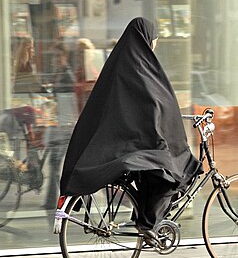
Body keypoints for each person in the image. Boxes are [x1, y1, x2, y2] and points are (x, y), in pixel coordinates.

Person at [59, 17, 201, 244]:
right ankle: (147, 224)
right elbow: (154, 103)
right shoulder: (141, 67)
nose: (155, 44)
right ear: (147, 39)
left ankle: (143, 218)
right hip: (136, 144)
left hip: (124, 142)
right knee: (176, 173)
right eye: (155, 40)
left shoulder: (121, 64)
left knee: (160, 170)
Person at [44, 43, 76, 210]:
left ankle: (57, 201)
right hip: (59, 123)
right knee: (54, 163)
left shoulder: (67, 76)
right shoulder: (60, 74)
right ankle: (51, 200)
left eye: (58, 56)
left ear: (64, 57)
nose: (55, 60)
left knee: (56, 162)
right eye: (54, 56)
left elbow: (68, 101)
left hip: (65, 125)